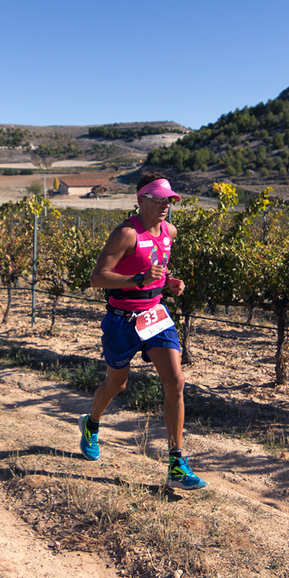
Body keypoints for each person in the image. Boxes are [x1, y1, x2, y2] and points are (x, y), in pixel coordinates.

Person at [77, 172, 206, 491]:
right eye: (159, 198)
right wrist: (138, 281)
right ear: (141, 200)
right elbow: (97, 278)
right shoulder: (125, 233)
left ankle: (176, 463)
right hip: (122, 318)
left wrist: (168, 282)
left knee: (176, 381)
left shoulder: (170, 232)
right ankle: (91, 423)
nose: (166, 204)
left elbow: (156, 269)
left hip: (155, 314)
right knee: (116, 384)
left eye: (170, 199)